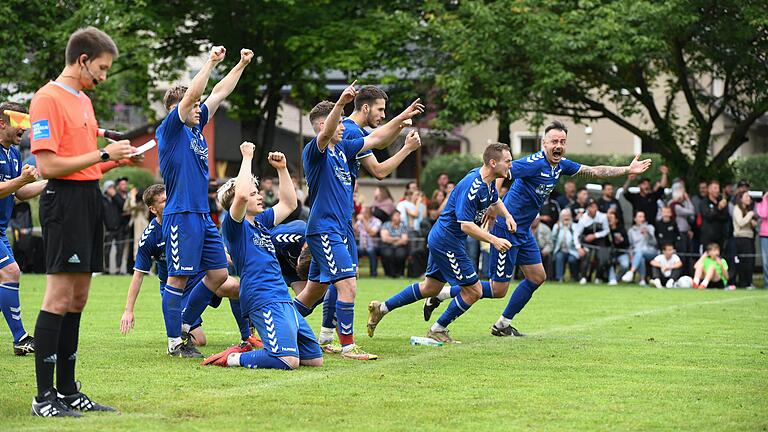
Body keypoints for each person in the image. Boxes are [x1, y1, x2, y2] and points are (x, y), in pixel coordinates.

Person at [418, 122, 651, 338]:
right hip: (506, 229)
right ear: (544, 144)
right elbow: (503, 174)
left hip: (524, 231)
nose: (558, 146)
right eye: (554, 141)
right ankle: (443, 294)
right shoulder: (533, 163)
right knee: (499, 290)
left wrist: (627, 169)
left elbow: (594, 171)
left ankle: (502, 325)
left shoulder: (560, 166)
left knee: (538, 277)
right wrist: (493, 203)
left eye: (562, 142)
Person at [30, 26, 135, 417]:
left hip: (89, 200)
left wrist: (113, 159)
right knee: (58, 297)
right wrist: (102, 155)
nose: (104, 78)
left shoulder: (84, 102)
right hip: (64, 203)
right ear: (83, 60)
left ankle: (68, 391)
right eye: (102, 69)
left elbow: (89, 161)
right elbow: (47, 165)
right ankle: (44, 399)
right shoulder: (47, 99)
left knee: (79, 298)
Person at [294, 81, 424, 360]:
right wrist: (340, 103)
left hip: (340, 228)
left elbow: (377, 140)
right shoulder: (315, 152)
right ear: (324, 127)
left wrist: (402, 119)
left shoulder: (344, 150)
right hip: (325, 228)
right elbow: (330, 131)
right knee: (348, 285)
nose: (344, 127)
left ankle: (281, 326)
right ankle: (348, 346)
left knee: (315, 290)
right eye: (338, 123)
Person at [156, 46, 253, 357]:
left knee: (219, 275)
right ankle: (174, 344)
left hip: (201, 215)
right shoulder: (171, 129)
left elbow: (219, 92)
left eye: (199, 105)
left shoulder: (197, 128)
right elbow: (193, 95)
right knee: (179, 277)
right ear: (178, 109)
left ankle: (182, 325)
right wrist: (209, 61)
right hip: (181, 214)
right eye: (194, 105)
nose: (199, 108)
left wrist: (240, 65)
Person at [367, 143, 517, 343]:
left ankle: (382, 308)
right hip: (447, 241)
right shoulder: (473, 186)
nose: (511, 165)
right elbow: (466, 225)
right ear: (492, 163)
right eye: (507, 161)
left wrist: (507, 216)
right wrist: (494, 240)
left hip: (444, 239)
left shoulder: (488, 182)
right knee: (474, 291)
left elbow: (494, 199)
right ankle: (438, 329)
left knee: (430, 288)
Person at [212, 143, 322, 370]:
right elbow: (240, 195)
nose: (259, 196)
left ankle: (269, 347)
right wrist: (246, 157)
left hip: (282, 297)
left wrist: (282, 169)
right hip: (262, 298)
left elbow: (290, 204)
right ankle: (234, 358)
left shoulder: (261, 223)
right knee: (288, 361)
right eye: (254, 193)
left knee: (313, 359)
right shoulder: (234, 227)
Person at [119, 185, 256, 357]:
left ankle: (247, 337)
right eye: (164, 201)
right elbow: (138, 275)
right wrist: (128, 310)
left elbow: (217, 253)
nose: (170, 204)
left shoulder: (188, 223)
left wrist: (242, 260)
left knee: (234, 286)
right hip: (177, 288)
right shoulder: (150, 237)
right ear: (153, 209)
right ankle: (177, 333)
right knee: (200, 340)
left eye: (171, 199)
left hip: (201, 277)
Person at [0, 103, 47, 356]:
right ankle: (20, 338)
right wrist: (21, 179)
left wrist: (50, 183)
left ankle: (20, 338)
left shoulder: (14, 154)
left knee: (5, 279)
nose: (25, 129)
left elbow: (18, 192)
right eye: (20, 122)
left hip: (1, 229)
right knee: (11, 271)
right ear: (2, 123)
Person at [573, 198, 610, 284]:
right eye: (590, 207)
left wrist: (595, 235)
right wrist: (578, 247)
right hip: (587, 243)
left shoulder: (603, 217)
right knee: (586, 256)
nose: (592, 209)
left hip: (600, 242)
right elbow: (576, 234)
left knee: (602, 257)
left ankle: (598, 277)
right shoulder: (583, 219)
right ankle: (583, 277)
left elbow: (607, 230)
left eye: (594, 207)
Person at [621, 211, 658, 285]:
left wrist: (647, 234)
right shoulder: (631, 231)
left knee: (640, 252)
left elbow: (655, 243)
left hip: (650, 251)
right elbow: (630, 246)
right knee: (640, 256)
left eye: (643, 217)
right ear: (635, 219)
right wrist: (631, 256)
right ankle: (642, 280)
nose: (642, 219)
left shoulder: (650, 227)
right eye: (640, 217)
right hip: (637, 253)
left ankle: (631, 272)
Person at [732, 191, 756, 288]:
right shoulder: (737, 208)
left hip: (749, 237)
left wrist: (752, 221)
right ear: (740, 198)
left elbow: (751, 224)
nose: (748, 198)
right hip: (741, 238)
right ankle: (743, 283)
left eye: (749, 197)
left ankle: (749, 282)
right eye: (746, 196)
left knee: (750, 261)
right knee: (743, 262)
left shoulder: (747, 210)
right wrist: (750, 214)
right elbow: (741, 223)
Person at [698, 180, 730, 251]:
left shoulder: (721, 201)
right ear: (709, 190)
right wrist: (718, 208)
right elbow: (708, 216)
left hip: (720, 236)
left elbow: (725, 217)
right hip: (708, 237)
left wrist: (718, 212)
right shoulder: (704, 202)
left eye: (718, 188)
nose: (717, 190)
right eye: (715, 188)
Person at [379, 211, 409, 277]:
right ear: (392, 217)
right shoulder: (386, 225)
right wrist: (396, 238)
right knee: (388, 254)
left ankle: (400, 274)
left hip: (400, 246)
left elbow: (404, 240)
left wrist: (392, 240)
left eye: (399, 215)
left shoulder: (403, 225)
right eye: (397, 215)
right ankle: (389, 274)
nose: (398, 217)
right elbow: (384, 238)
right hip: (387, 245)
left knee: (400, 254)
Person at [101, 180, 123, 274]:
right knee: (107, 250)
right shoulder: (102, 199)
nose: (112, 189)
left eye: (113, 187)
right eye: (110, 187)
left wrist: (114, 196)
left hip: (119, 228)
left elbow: (123, 205)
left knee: (120, 249)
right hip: (108, 229)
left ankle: (118, 269)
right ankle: (106, 269)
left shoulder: (117, 198)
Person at [552, 209, 580, 282]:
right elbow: (553, 239)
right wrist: (557, 229)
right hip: (560, 250)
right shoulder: (557, 226)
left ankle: (575, 277)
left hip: (572, 251)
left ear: (570, 217)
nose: (566, 218)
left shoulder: (575, 226)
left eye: (568, 216)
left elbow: (577, 239)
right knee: (559, 257)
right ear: (561, 217)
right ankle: (559, 278)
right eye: (564, 216)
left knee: (572, 259)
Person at [355, 206, 381, 277]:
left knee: (370, 250)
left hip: (374, 247)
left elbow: (372, 233)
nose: (360, 214)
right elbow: (355, 232)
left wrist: (363, 220)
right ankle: (353, 274)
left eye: (362, 213)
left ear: (368, 213)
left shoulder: (377, 221)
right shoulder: (359, 222)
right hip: (362, 247)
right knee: (354, 250)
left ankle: (373, 274)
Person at [607, 210, 630, 285]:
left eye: (612, 218)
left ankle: (617, 278)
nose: (610, 219)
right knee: (609, 261)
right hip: (610, 253)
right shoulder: (606, 229)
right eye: (609, 218)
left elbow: (627, 243)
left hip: (621, 253)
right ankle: (612, 279)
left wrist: (621, 240)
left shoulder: (621, 230)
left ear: (616, 220)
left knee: (625, 265)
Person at [757, 192, 768, 289]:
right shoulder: (760, 202)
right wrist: (764, 199)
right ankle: (767, 284)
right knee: (765, 262)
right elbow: (763, 214)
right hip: (764, 235)